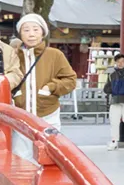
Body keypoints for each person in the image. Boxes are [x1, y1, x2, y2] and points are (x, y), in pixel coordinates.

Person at [11, 13, 78, 161]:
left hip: (48, 113)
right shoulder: (14, 55)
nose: (31, 34)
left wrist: (51, 87)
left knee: (48, 156)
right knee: (20, 159)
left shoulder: (55, 55)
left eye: (35, 29)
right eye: (26, 30)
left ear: (43, 32)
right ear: (20, 34)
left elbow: (70, 80)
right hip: (21, 115)